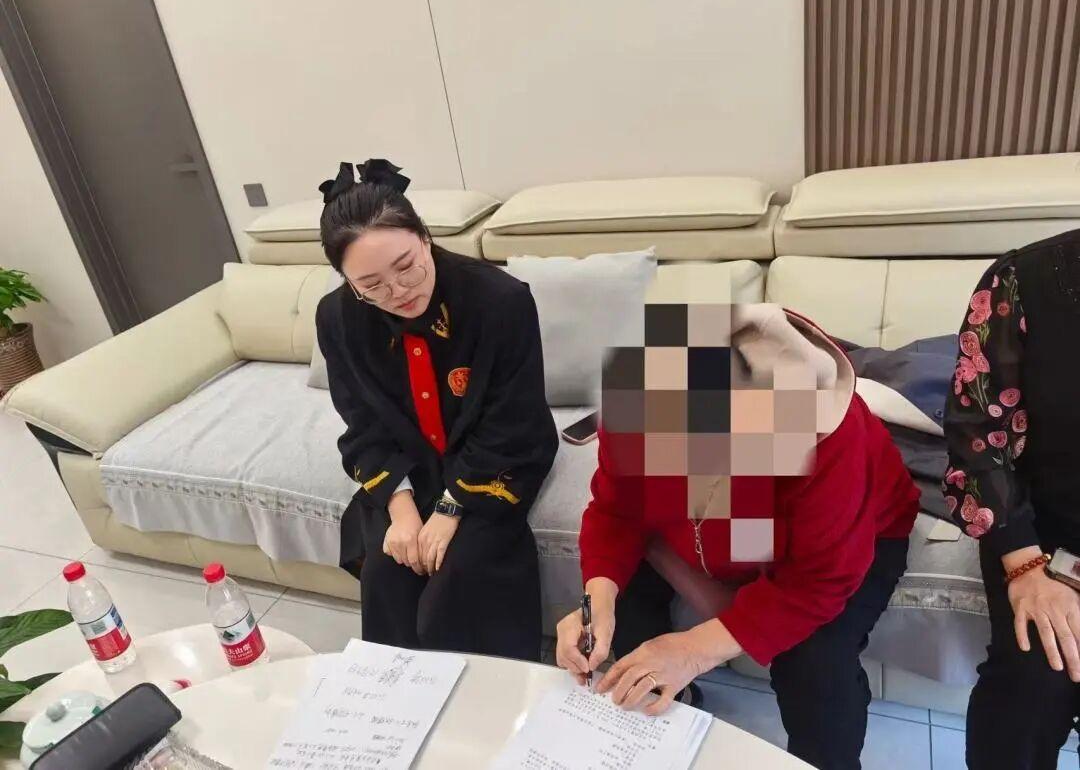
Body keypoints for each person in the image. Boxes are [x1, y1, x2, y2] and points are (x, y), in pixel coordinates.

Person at [555, 302, 920, 770]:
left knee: (814, 661)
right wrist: (596, 603)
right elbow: (616, 511)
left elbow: (818, 581)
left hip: (839, 540)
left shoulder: (829, 436)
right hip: (707, 534)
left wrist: (693, 650)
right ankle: (654, 727)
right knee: (625, 602)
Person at [315, 159, 558, 661]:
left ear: (424, 238)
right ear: (347, 281)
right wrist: (402, 511)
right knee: (388, 570)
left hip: (495, 460)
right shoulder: (337, 317)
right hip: (411, 463)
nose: (398, 292)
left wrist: (449, 509)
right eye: (371, 284)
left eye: (406, 266)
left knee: (457, 579)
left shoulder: (500, 300)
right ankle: (400, 695)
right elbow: (362, 422)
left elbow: (513, 421)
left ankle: (488, 692)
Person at [942, 228, 1080, 770]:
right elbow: (977, 436)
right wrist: (1026, 567)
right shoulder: (1022, 281)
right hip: (1043, 536)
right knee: (1032, 680)